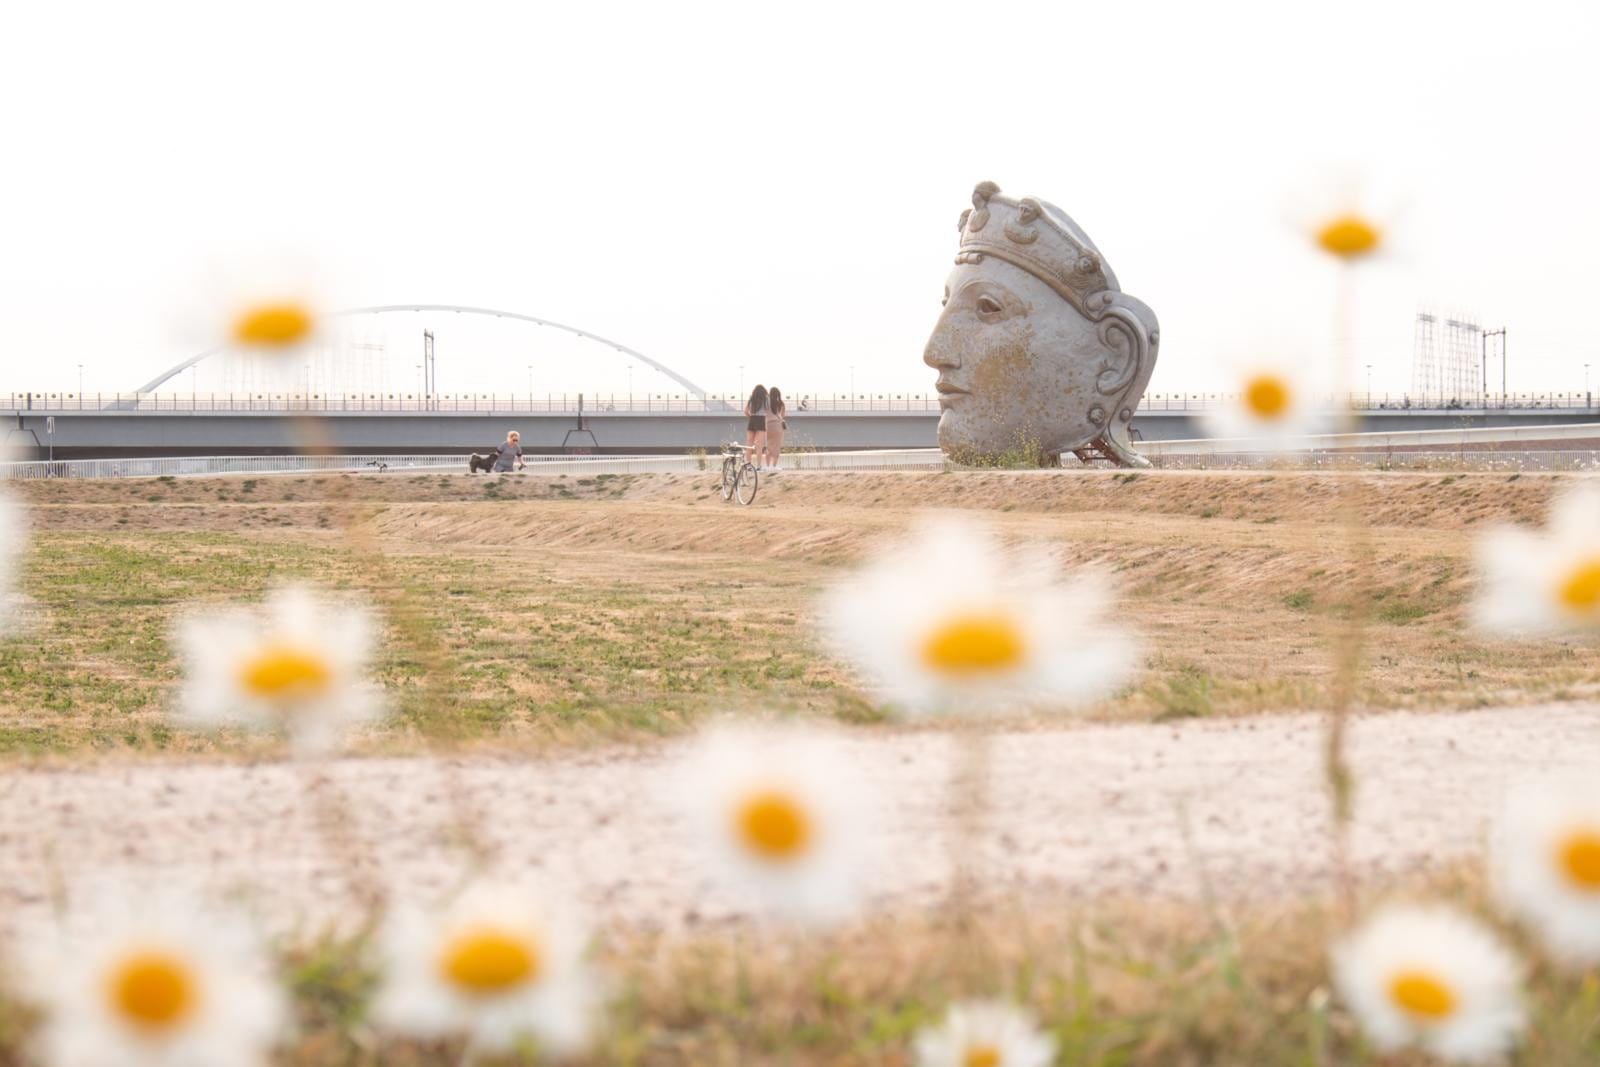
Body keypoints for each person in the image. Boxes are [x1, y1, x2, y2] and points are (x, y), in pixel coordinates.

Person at [743, 384, 768, 469]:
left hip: (752, 420)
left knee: (749, 444)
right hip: (761, 420)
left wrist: (751, 417)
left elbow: (746, 411)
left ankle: (748, 465)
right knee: (759, 445)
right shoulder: (766, 399)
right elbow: (769, 411)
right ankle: (759, 466)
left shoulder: (751, 399)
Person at [765, 385, 787, 470]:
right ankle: (774, 466)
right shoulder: (780, 403)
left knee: (769, 445)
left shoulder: (767, 403)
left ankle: (767, 466)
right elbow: (782, 415)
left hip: (768, 425)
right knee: (777, 445)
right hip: (778, 425)